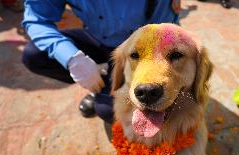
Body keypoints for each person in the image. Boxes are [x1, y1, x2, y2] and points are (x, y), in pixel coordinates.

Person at [22, 0, 180, 124]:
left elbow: (165, 35)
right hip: (96, 38)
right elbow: (36, 19)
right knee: (34, 55)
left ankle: (105, 88)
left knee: (109, 110)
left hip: (140, 49)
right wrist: (72, 58)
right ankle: (101, 85)